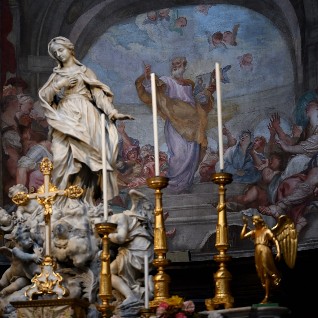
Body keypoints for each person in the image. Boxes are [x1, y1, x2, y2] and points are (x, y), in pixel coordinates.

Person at [38, 36, 134, 205]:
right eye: (55, 53)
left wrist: (113, 112)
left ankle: (85, 201)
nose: (59, 54)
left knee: (86, 161)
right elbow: (45, 96)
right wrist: (60, 84)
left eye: (61, 50)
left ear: (69, 48)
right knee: (61, 158)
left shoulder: (85, 72)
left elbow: (98, 95)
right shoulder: (56, 75)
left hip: (86, 115)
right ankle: (62, 201)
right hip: (65, 117)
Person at [135, 56, 215, 194]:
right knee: (178, 154)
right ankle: (174, 184)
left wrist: (208, 92)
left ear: (184, 66)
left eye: (177, 64)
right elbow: (154, 89)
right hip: (175, 122)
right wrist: (148, 77)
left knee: (192, 155)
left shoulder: (190, 84)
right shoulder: (167, 81)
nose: (174, 66)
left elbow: (199, 102)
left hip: (193, 125)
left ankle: (185, 184)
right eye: (173, 64)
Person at [108, 189, 154, 311]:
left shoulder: (119, 217)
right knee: (109, 273)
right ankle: (143, 289)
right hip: (143, 250)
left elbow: (121, 238)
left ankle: (131, 295)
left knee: (107, 273)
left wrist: (105, 235)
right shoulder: (129, 214)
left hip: (137, 250)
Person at [240, 215, 281, 304]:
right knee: (260, 272)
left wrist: (278, 252)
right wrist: (245, 225)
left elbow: (275, 240)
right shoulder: (254, 232)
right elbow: (242, 236)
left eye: (255, 221)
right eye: (253, 221)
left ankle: (267, 295)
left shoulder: (266, 231)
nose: (253, 223)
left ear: (259, 221)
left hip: (265, 250)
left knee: (266, 270)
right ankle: (268, 291)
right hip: (257, 251)